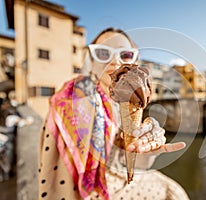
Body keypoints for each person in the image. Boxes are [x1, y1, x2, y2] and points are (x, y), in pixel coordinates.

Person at [38, 27, 189, 200]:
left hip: (123, 177)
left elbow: (134, 165)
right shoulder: (71, 100)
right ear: (91, 62)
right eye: (103, 53)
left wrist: (148, 153)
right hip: (95, 190)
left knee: (175, 191)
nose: (115, 61)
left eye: (125, 55)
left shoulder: (123, 103)